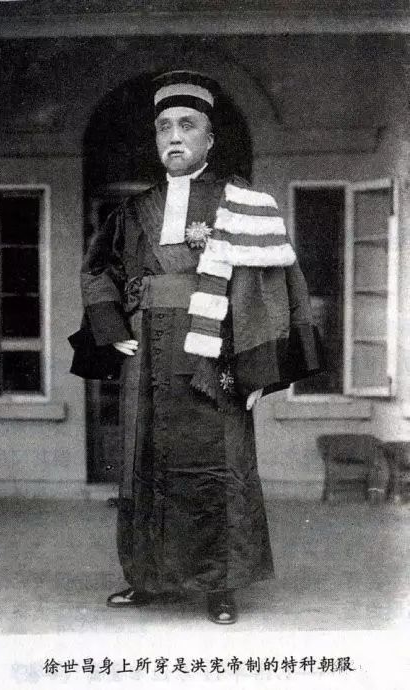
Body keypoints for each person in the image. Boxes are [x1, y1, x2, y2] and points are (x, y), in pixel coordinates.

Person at [73, 70, 324, 624]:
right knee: (144, 466)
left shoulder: (242, 203)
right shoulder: (134, 210)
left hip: (213, 354)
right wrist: (114, 327)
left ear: (209, 139)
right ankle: (149, 578)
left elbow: (265, 285)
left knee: (216, 469)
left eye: (187, 125)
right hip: (148, 356)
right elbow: (98, 271)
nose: (174, 136)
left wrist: (256, 367)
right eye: (164, 127)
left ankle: (220, 586)